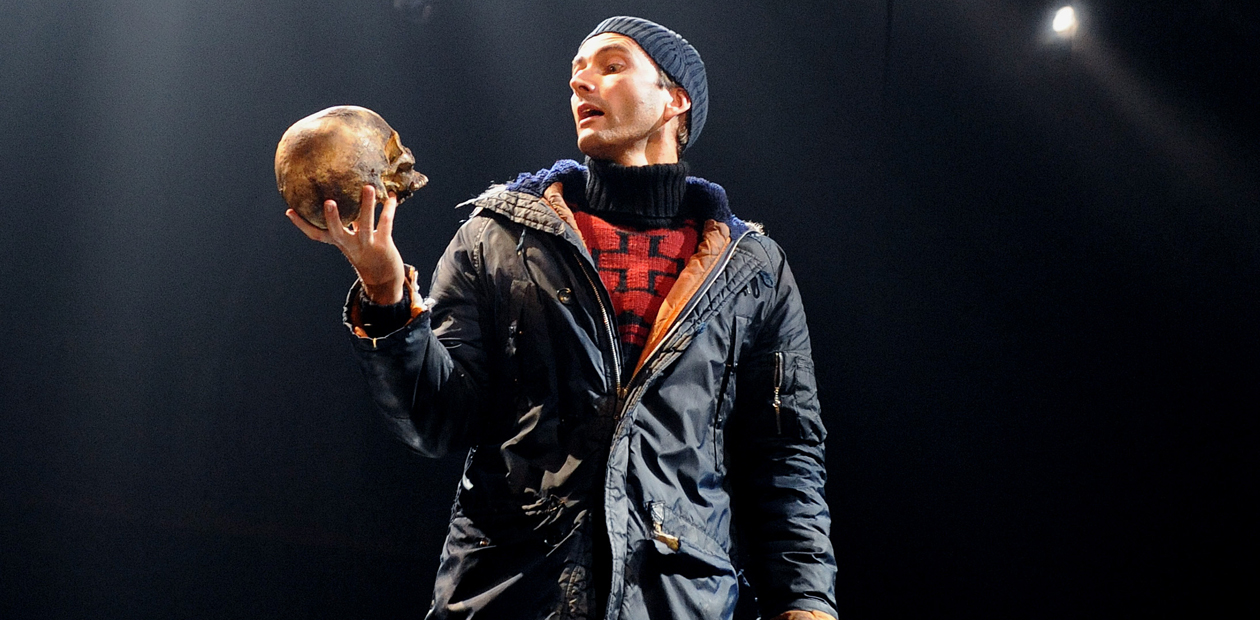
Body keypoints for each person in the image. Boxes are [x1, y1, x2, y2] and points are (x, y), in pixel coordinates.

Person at [289, 16, 837, 620]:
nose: (582, 85)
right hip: (513, 593)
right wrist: (386, 290)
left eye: (611, 66)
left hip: (680, 601)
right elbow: (436, 424)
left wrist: (807, 603)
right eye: (576, 74)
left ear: (675, 99)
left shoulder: (752, 270)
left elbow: (786, 456)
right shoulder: (494, 239)